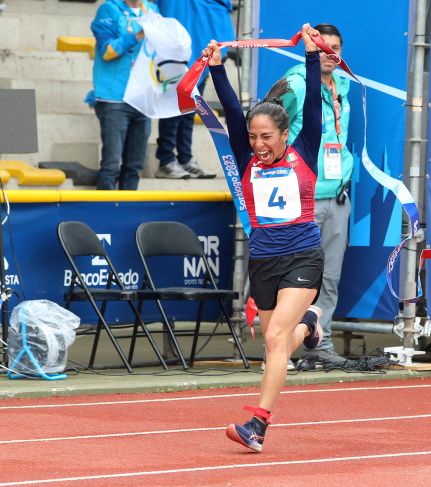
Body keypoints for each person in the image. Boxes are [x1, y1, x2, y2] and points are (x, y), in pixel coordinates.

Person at [204, 23, 324, 453]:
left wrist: (311, 57)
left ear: (284, 135)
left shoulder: (305, 146)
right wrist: (217, 69)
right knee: (278, 339)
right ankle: (310, 326)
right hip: (264, 260)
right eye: (253, 137)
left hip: (303, 255)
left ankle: (258, 424)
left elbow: (313, 103)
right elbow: (232, 113)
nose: (258, 144)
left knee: (274, 341)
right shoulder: (245, 153)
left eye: (266, 137)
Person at [281, 23, 353, 369]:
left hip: (337, 197)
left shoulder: (343, 87)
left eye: (335, 47)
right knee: (292, 275)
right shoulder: (296, 83)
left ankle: (318, 349)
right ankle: (279, 346)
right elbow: (266, 125)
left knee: (330, 278)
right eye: (323, 46)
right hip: (302, 199)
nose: (330, 52)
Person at [154, 0, 233, 179]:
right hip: (176, 48)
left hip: (202, 43)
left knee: (191, 107)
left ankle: (185, 158)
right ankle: (166, 160)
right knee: (174, 106)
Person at [89, 0, 158, 190]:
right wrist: (138, 36)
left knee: (134, 166)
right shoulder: (109, 9)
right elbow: (107, 51)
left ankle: (128, 215)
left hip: (142, 98)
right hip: (114, 98)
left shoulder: (152, 10)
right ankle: (105, 214)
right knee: (111, 164)